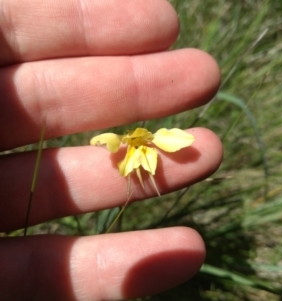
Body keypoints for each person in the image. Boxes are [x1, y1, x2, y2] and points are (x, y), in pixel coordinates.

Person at [0, 0, 222, 300]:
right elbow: (118, 145)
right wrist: (124, 144)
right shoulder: (128, 145)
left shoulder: (147, 144)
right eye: (136, 142)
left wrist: (137, 146)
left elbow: (158, 144)